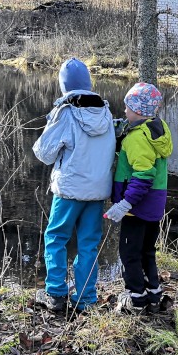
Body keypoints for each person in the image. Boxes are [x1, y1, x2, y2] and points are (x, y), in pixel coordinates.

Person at [33, 58, 116, 314]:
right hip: (97, 191)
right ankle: (86, 298)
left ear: (64, 86)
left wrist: (51, 123)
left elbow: (44, 153)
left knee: (56, 238)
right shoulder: (105, 112)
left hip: (69, 190)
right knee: (89, 244)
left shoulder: (66, 113)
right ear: (88, 84)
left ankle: (56, 293)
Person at [104, 82, 173, 313]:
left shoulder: (137, 138)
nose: (124, 110)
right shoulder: (157, 129)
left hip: (137, 207)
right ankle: (153, 294)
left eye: (128, 107)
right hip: (153, 204)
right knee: (147, 251)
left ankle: (136, 299)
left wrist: (125, 203)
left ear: (138, 110)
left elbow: (143, 175)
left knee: (129, 253)